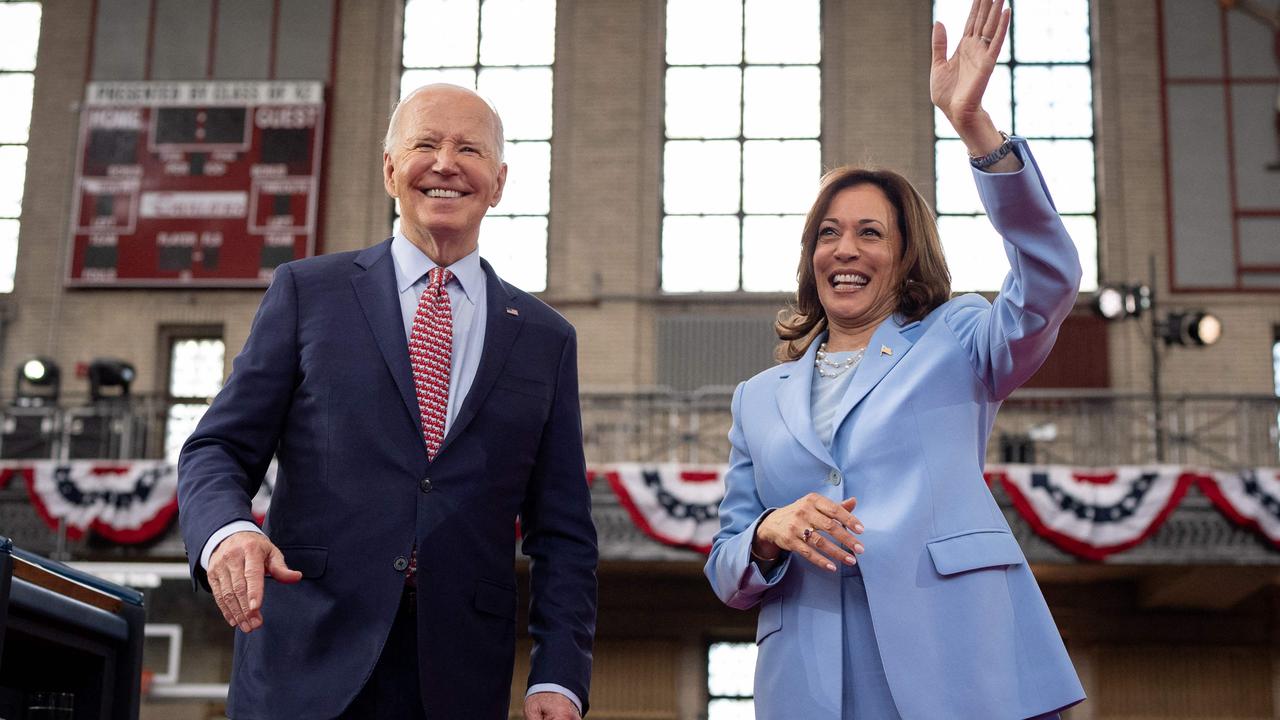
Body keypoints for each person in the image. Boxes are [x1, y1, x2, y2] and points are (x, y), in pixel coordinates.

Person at [704, 1, 1085, 718]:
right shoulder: (758, 398)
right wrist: (766, 534)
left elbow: (1050, 280)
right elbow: (727, 568)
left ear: (905, 253)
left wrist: (976, 127)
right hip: (814, 684)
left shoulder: (960, 339)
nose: (844, 250)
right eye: (828, 233)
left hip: (957, 667)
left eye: (869, 233)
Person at [178, 84, 597, 720]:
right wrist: (228, 532)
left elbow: (563, 533)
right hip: (303, 660)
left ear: (500, 180)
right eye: (425, 144)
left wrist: (559, 676)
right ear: (390, 169)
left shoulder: (545, 338)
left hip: (457, 678)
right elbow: (217, 447)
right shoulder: (307, 293)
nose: (446, 163)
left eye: (470, 149)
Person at [1219, 0, 1280, 171]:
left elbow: (1265, 15)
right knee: (1278, 120)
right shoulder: (1277, 22)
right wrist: (1239, 4)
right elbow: (1263, 14)